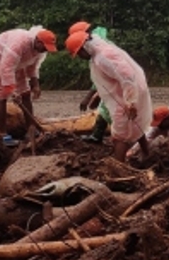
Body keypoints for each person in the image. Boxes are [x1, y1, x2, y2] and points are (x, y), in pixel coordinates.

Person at [65, 28, 152, 162]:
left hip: (127, 93)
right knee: (135, 124)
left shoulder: (103, 56)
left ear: (84, 47)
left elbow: (127, 77)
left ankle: (118, 167)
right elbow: (107, 80)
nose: (80, 57)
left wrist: (130, 102)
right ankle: (147, 154)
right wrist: (96, 95)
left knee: (120, 135)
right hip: (127, 91)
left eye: (79, 53)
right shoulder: (99, 51)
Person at [0, 26, 57, 138]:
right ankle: (2, 134)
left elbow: (32, 67)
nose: (45, 50)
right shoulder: (19, 43)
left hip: (17, 64)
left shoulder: (39, 50)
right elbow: (6, 67)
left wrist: (35, 84)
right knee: (2, 96)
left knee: (25, 93)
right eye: (44, 47)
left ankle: (31, 128)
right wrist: (11, 91)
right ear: (38, 41)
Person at [69, 21, 113, 143]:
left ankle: (126, 141)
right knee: (105, 109)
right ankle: (97, 135)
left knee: (112, 110)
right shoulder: (97, 44)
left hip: (115, 84)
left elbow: (101, 77)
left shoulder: (99, 50)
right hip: (110, 83)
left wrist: (89, 97)